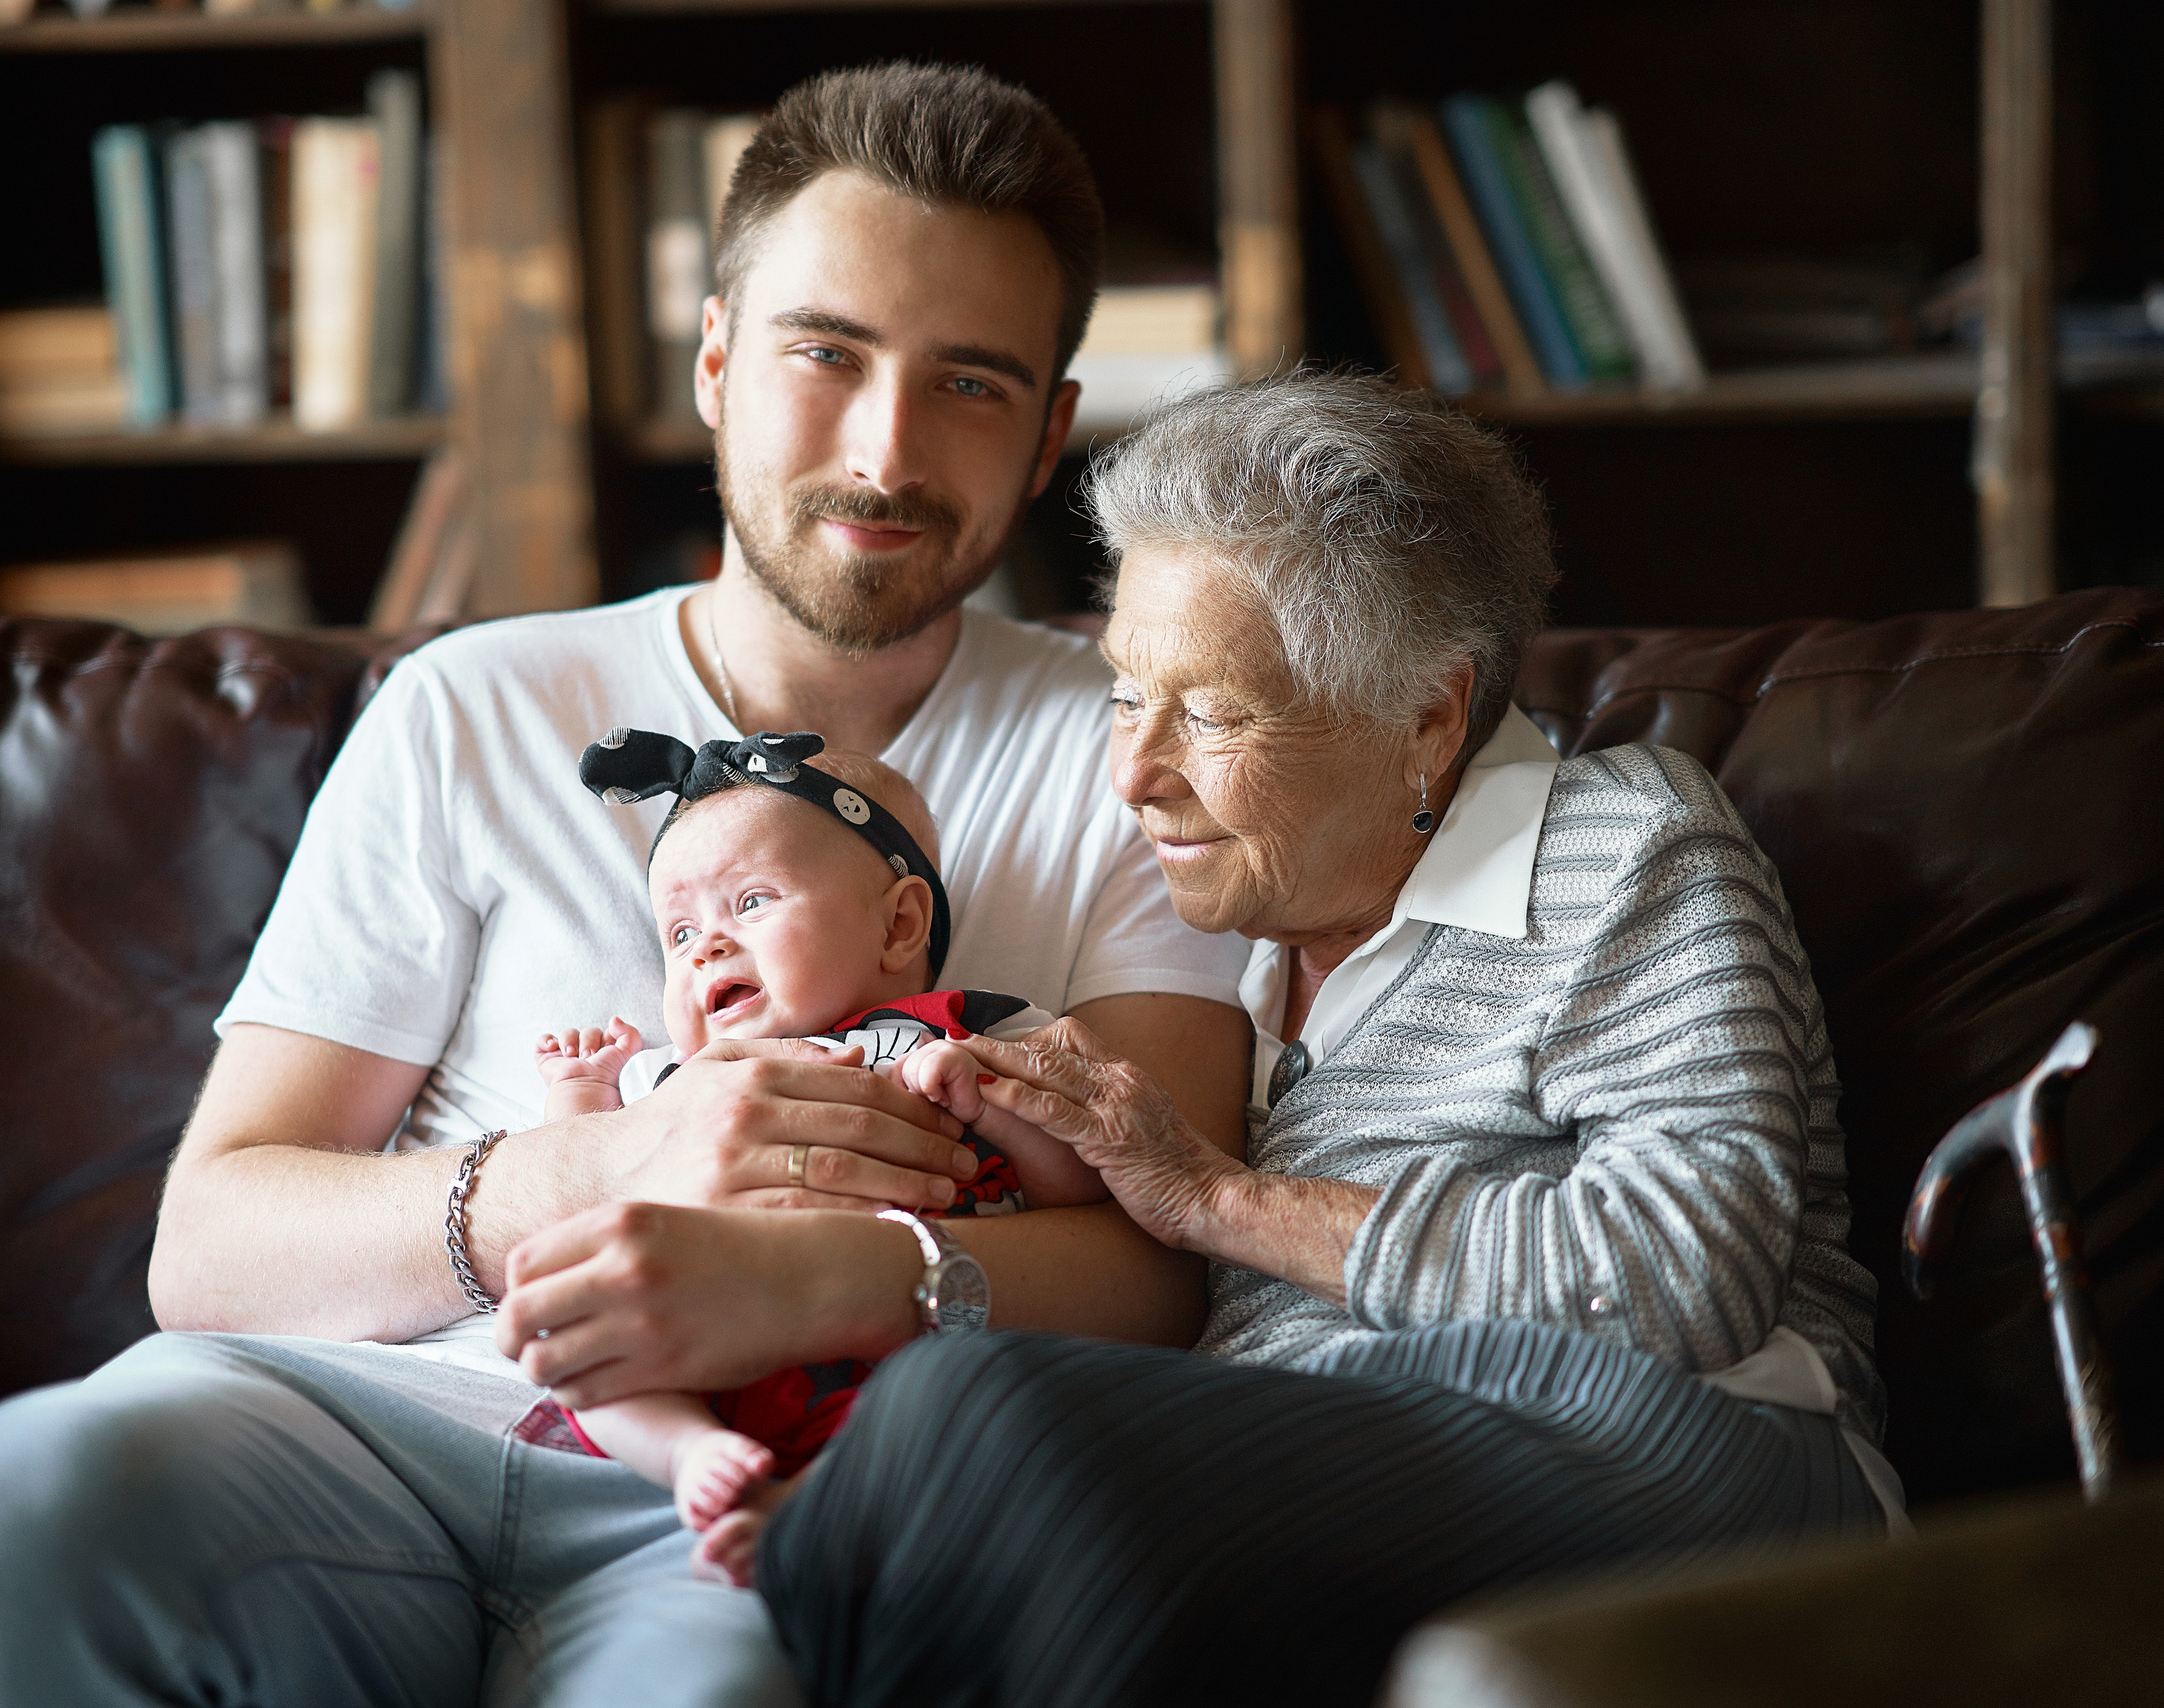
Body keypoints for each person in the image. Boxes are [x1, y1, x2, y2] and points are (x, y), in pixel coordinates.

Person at [0, 64, 1248, 1708]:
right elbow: (210, 1238)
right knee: (3, 1510)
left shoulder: (1129, 758)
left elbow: (1165, 1264)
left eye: (968, 381)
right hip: (357, 1420)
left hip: (766, 1478)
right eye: (826, 353)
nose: (885, 449)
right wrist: (592, 1163)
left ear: (1048, 440)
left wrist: (828, 1274)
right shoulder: (475, 699)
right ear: (718, 358)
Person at [736, 371, 1908, 1707]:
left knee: (980, 1420)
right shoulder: (1214, 930)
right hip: (1322, 1478)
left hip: (1687, 1449)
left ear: (1426, 720)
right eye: (1125, 696)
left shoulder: (1623, 847)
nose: (1134, 773)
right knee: (897, 1482)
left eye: (1214, 713)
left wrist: (1219, 1197)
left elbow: (1685, 1274)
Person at [533, 732, 1106, 1587]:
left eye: (752, 902)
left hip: (908, 1344)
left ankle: (814, 1502)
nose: (704, 949)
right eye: (679, 930)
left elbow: (1083, 1190)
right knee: (581, 1351)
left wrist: (993, 1099)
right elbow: (580, 1191)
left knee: (982, 1413)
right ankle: (692, 1455)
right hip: (700, 1336)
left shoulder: (976, 1029)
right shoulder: (670, 1076)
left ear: (899, 923)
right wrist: (582, 1093)